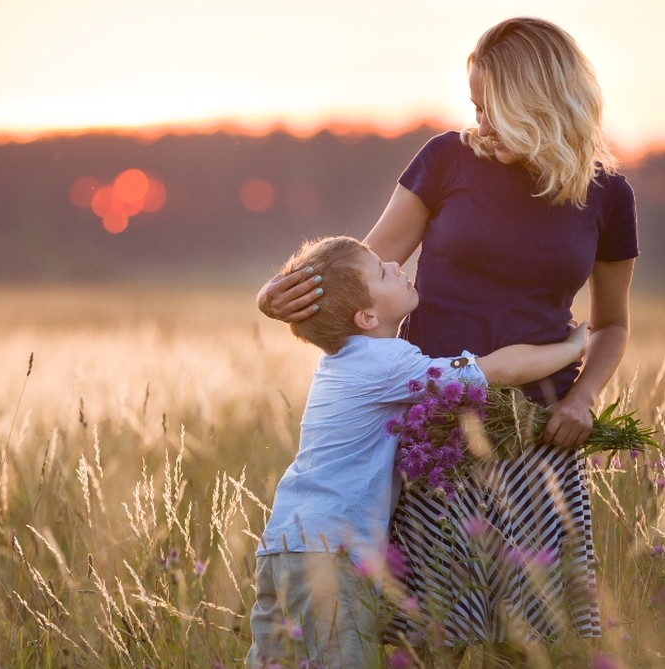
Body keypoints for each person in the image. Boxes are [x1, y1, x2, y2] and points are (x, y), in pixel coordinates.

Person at [257, 16, 638, 659]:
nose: (479, 120)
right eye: (475, 104)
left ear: (539, 102)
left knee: (536, 641)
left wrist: (582, 398)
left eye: (493, 106)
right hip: (435, 435)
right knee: (428, 638)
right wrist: (277, 296)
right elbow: (362, 276)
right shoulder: (446, 160)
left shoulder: (607, 197)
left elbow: (612, 324)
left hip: (539, 435)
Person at [247, 235, 589, 668]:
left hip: (283, 544)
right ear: (367, 316)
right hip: (330, 551)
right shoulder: (388, 363)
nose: (394, 264)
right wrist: (573, 348)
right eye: (380, 271)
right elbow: (497, 368)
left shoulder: (342, 362)